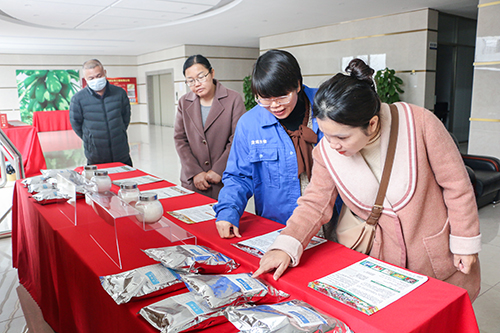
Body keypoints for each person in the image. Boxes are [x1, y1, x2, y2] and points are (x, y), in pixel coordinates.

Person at [253, 59, 481, 301]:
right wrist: (286, 246)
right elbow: (314, 203)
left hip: (435, 255)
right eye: (326, 134)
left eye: (341, 136)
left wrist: (464, 243)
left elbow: (457, 186)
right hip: (383, 262)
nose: (332, 145)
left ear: (371, 124)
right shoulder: (327, 151)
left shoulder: (419, 123)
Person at [214, 49, 335, 239]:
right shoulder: (250, 124)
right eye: (265, 99)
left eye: (281, 97)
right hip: (280, 227)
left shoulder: (329, 107)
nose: (274, 106)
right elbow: (239, 176)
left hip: (334, 225)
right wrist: (228, 211)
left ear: (297, 84)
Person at [174, 54, 246, 200]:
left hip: (224, 179)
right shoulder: (184, 102)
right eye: (191, 81)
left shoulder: (233, 99)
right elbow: (180, 139)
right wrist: (195, 172)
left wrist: (219, 169)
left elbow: (238, 139)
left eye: (201, 77)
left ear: (212, 73)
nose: (197, 84)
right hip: (193, 180)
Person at [70, 59, 132, 166]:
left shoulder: (119, 93)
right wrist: (90, 138)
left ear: (105, 73)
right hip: (96, 155)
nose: (96, 80)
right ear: (86, 79)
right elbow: (76, 124)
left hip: (121, 152)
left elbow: (125, 117)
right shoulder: (78, 99)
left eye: (99, 76)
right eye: (91, 78)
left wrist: (118, 131)